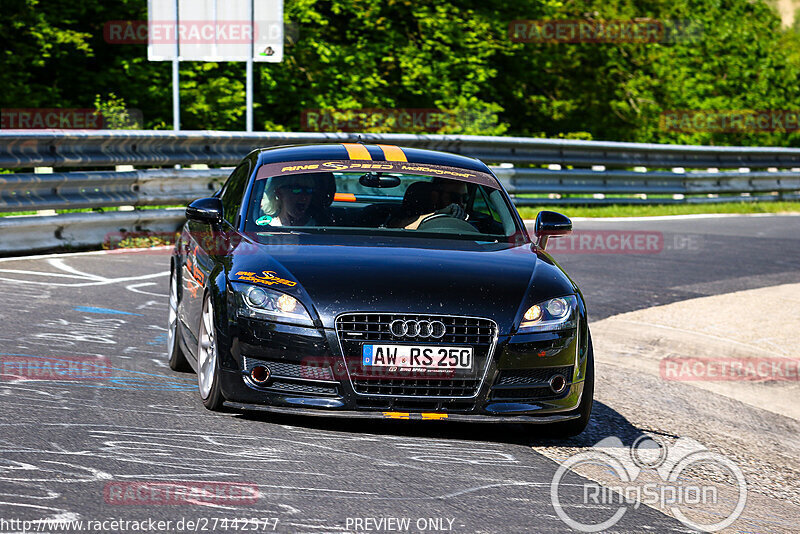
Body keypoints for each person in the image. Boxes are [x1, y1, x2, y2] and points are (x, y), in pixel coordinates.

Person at [258, 173, 335, 227]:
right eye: (297, 190)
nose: (304, 197)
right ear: (279, 193)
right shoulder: (263, 227)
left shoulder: (320, 228)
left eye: (308, 191)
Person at [398, 177, 470, 230]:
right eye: (454, 197)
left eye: (465, 198)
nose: (461, 204)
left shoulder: (470, 219)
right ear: (435, 196)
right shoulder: (408, 214)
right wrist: (438, 213)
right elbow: (400, 227)